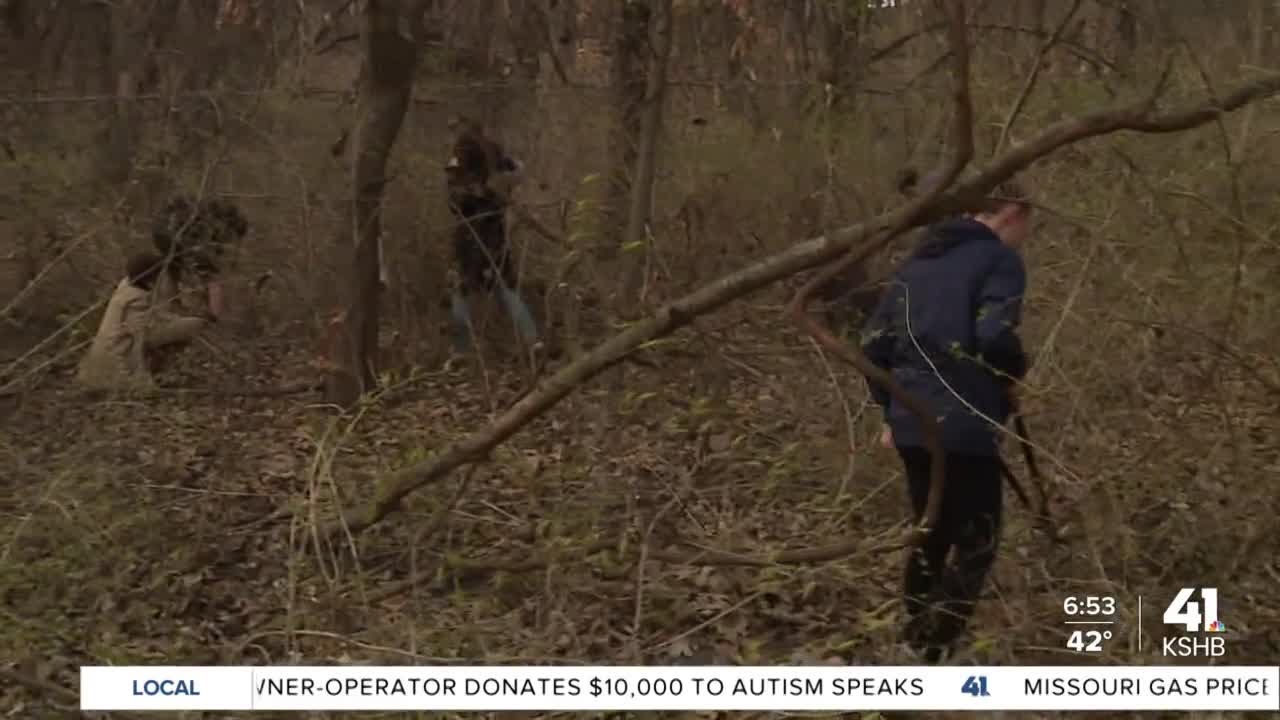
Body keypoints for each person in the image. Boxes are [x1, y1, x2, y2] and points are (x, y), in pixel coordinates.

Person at [859, 177, 1033, 663]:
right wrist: (1013, 371)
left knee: (930, 531)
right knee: (979, 538)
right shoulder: (1000, 261)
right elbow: (995, 337)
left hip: (913, 421)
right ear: (1012, 213)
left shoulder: (916, 264)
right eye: (1026, 225)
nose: (1024, 237)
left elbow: (874, 346)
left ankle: (911, 644)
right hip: (964, 421)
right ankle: (933, 649)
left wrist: (890, 411)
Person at [444, 119, 538, 353]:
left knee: (463, 290)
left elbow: (456, 203)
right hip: (491, 234)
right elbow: (516, 174)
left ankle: (461, 349)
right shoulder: (495, 160)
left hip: (473, 236)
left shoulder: (470, 161)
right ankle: (531, 339)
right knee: (504, 288)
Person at [76, 251, 213, 392]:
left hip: (98, 368)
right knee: (187, 330)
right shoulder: (137, 301)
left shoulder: (126, 290)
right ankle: (164, 376)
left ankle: (163, 375)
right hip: (118, 371)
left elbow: (159, 318)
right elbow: (156, 330)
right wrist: (200, 322)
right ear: (150, 280)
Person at [152, 194, 249, 322]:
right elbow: (206, 255)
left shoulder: (212, 214)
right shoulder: (209, 221)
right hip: (169, 230)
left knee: (173, 268)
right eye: (231, 236)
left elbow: (213, 246)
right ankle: (213, 316)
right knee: (209, 275)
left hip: (163, 229)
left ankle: (173, 307)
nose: (230, 241)